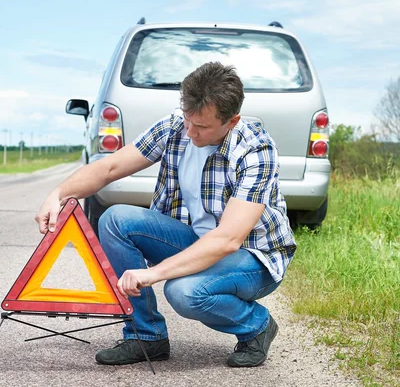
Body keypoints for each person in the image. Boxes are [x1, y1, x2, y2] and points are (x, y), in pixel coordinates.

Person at [35, 61, 296, 368]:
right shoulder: (175, 127)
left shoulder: (255, 150)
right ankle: (146, 336)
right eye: (188, 119)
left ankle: (257, 326)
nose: (190, 131)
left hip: (252, 256)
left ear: (231, 121)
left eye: (202, 126)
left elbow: (228, 239)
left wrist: (153, 274)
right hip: (196, 240)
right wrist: (59, 193)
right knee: (115, 219)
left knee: (184, 292)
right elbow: (111, 167)